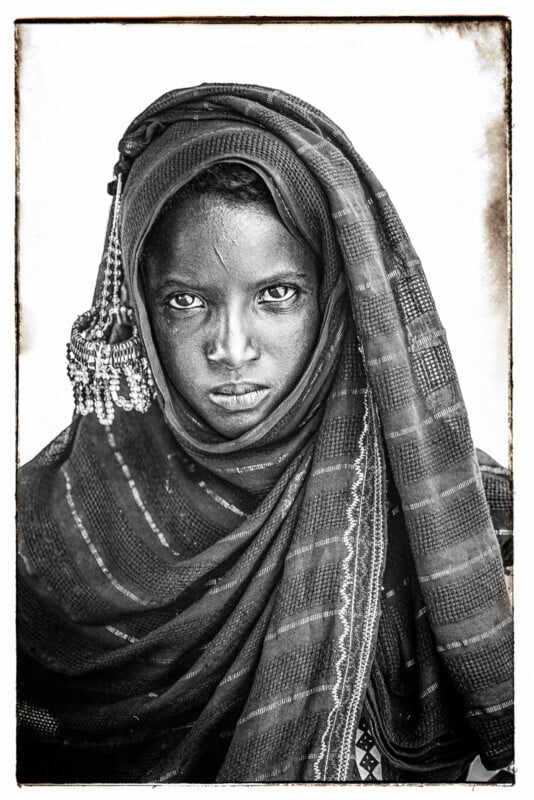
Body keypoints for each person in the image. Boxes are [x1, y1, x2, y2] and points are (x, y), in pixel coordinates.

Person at [17, 83, 513, 784]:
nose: (232, 347)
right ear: (139, 306)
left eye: (276, 295)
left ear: (335, 299)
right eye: (186, 301)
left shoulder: (463, 523)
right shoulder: (41, 539)